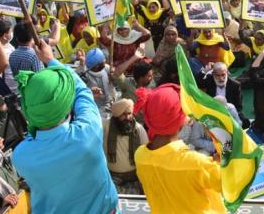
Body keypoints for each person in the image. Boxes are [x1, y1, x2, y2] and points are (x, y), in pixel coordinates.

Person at [12, 40, 119, 213]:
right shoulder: (88, 133)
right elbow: (82, 91)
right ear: (68, 106)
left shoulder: (21, 155)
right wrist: (50, 59)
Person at [134, 83, 226, 213]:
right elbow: (230, 183)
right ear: (180, 120)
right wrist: (219, 138)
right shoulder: (196, 163)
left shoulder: (140, 155)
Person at [103, 98, 148, 194]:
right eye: (123, 114)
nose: (127, 117)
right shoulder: (106, 127)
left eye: (129, 114)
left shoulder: (138, 129)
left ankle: (126, 191)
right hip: (113, 176)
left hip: (134, 175)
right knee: (104, 187)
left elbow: (146, 153)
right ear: (116, 115)